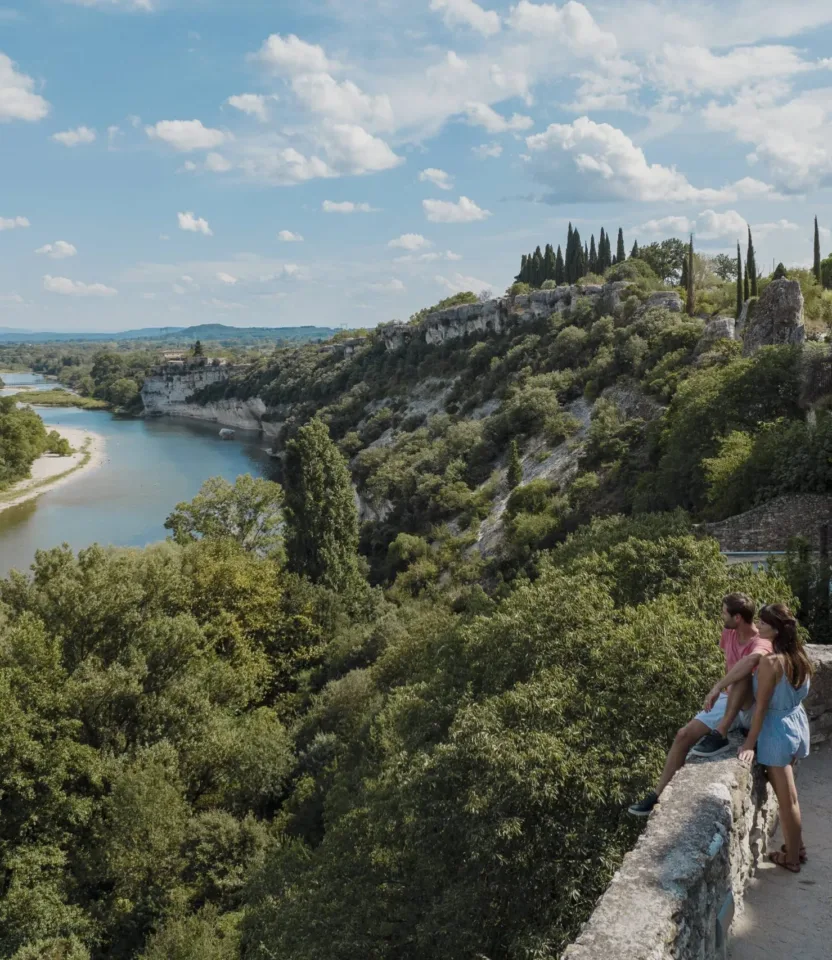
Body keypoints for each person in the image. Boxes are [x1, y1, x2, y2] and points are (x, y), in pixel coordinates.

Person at [628, 593, 772, 817]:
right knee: (683, 734)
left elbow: (749, 662)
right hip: (731, 699)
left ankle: (722, 732)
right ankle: (657, 795)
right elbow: (730, 664)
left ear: (737, 618)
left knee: (743, 675)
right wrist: (722, 690)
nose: (720, 616)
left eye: (724, 612)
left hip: (752, 707)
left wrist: (717, 687)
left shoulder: (761, 640)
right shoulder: (729, 633)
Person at [705, 604, 812, 872]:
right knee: (790, 795)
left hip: (776, 732)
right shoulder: (799, 656)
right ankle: (796, 846)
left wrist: (750, 743)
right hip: (795, 723)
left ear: (775, 630)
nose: (758, 627)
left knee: (787, 801)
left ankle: (792, 859)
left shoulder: (771, 662)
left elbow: (762, 706)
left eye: (764, 624)